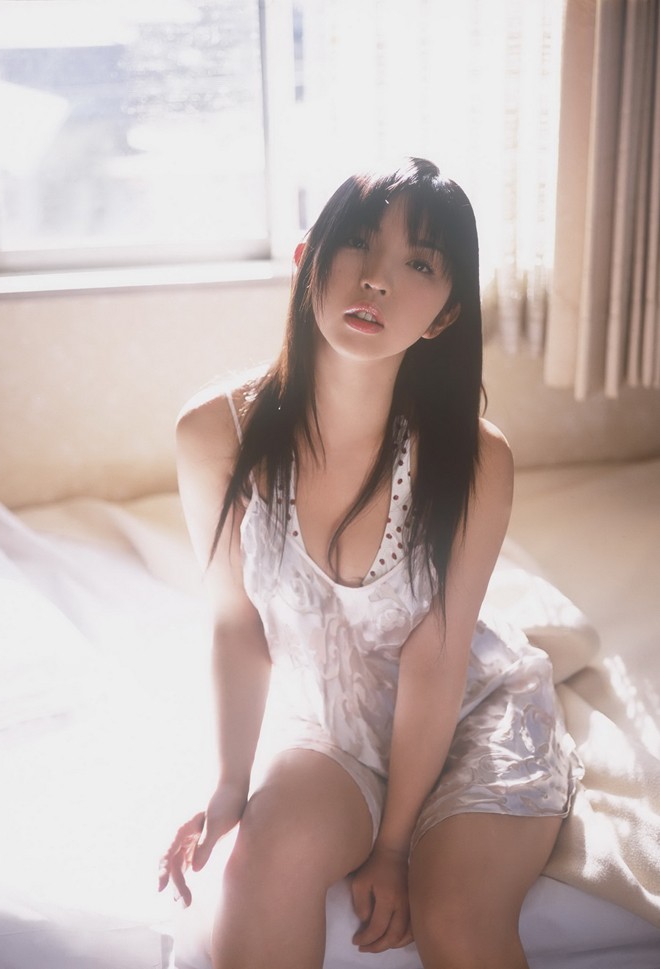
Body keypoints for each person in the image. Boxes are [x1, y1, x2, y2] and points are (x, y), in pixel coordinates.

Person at [158, 157, 578, 968]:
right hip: (333, 724)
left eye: (418, 262)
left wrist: (392, 846)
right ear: (306, 258)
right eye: (356, 241)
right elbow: (236, 624)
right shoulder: (216, 433)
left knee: (456, 919)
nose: (377, 279)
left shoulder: (475, 458)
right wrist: (228, 787)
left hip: (467, 715)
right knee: (260, 864)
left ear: (446, 312)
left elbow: (437, 657)